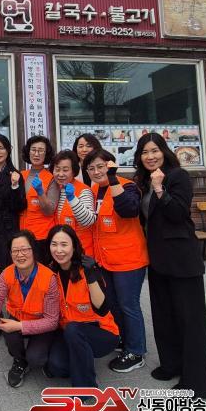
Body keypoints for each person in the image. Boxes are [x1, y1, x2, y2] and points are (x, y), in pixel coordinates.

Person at [133, 133, 206, 399]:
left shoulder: (177, 176)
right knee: (164, 316)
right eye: (145, 152)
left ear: (164, 151)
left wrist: (160, 189)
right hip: (157, 260)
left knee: (190, 322)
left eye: (154, 150)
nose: (150, 156)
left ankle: (197, 383)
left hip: (181, 260)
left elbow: (178, 214)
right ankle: (171, 365)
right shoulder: (143, 181)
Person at [45, 224, 119, 411]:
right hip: (71, 331)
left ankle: (86, 394)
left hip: (102, 333)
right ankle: (81, 360)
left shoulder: (88, 268)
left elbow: (102, 309)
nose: (59, 250)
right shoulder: (50, 272)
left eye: (64, 244)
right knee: (56, 366)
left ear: (74, 246)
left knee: (73, 330)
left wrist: (92, 274)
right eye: (54, 244)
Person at [83, 149, 148, 373]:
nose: (96, 172)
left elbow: (129, 210)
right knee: (113, 304)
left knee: (129, 306)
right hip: (105, 260)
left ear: (111, 165)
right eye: (91, 168)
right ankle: (124, 340)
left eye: (100, 166)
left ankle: (136, 352)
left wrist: (112, 178)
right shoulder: (93, 190)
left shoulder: (127, 186)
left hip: (128, 260)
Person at [0, 230, 59, 388]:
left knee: (36, 359)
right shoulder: (6, 274)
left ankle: (48, 348)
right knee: (8, 330)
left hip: (42, 323)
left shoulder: (49, 278)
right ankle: (19, 361)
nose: (20, 255)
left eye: (25, 249)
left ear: (33, 250)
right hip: (17, 318)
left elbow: (52, 321)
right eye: (15, 251)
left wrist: (20, 326)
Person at [0, 134, 27, 344]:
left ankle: (12, 318)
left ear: (8, 150)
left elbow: (20, 206)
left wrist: (15, 186)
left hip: (9, 229)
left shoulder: (15, 174)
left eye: (1, 147)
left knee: (11, 273)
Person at [19, 136, 58, 263]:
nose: (36, 154)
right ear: (28, 151)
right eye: (33, 150)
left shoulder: (51, 178)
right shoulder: (20, 175)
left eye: (41, 150)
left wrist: (40, 192)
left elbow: (49, 210)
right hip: (22, 234)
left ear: (46, 154)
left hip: (42, 237)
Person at [50, 150, 96, 257]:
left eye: (65, 170)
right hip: (62, 252)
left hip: (82, 252)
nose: (60, 174)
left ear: (74, 171)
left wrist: (72, 199)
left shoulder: (84, 191)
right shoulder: (55, 190)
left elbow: (88, 220)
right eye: (57, 169)